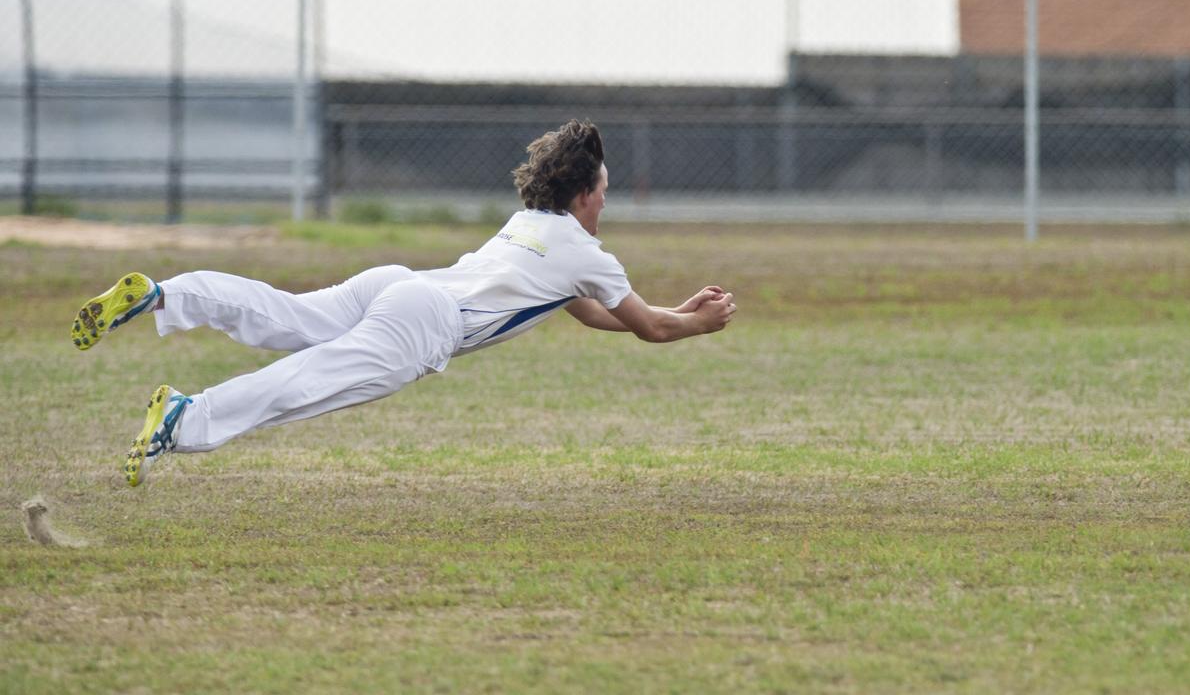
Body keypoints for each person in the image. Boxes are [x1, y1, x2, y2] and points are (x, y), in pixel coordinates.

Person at [71, 120, 737, 486]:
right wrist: (698, 324)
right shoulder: (588, 253)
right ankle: (185, 417)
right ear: (586, 194)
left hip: (395, 282)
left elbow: (590, 309)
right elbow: (646, 327)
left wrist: (679, 309)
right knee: (307, 384)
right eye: (605, 191)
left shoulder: (529, 222)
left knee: (283, 313)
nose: (605, 201)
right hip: (425, 322)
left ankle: (167, 294)